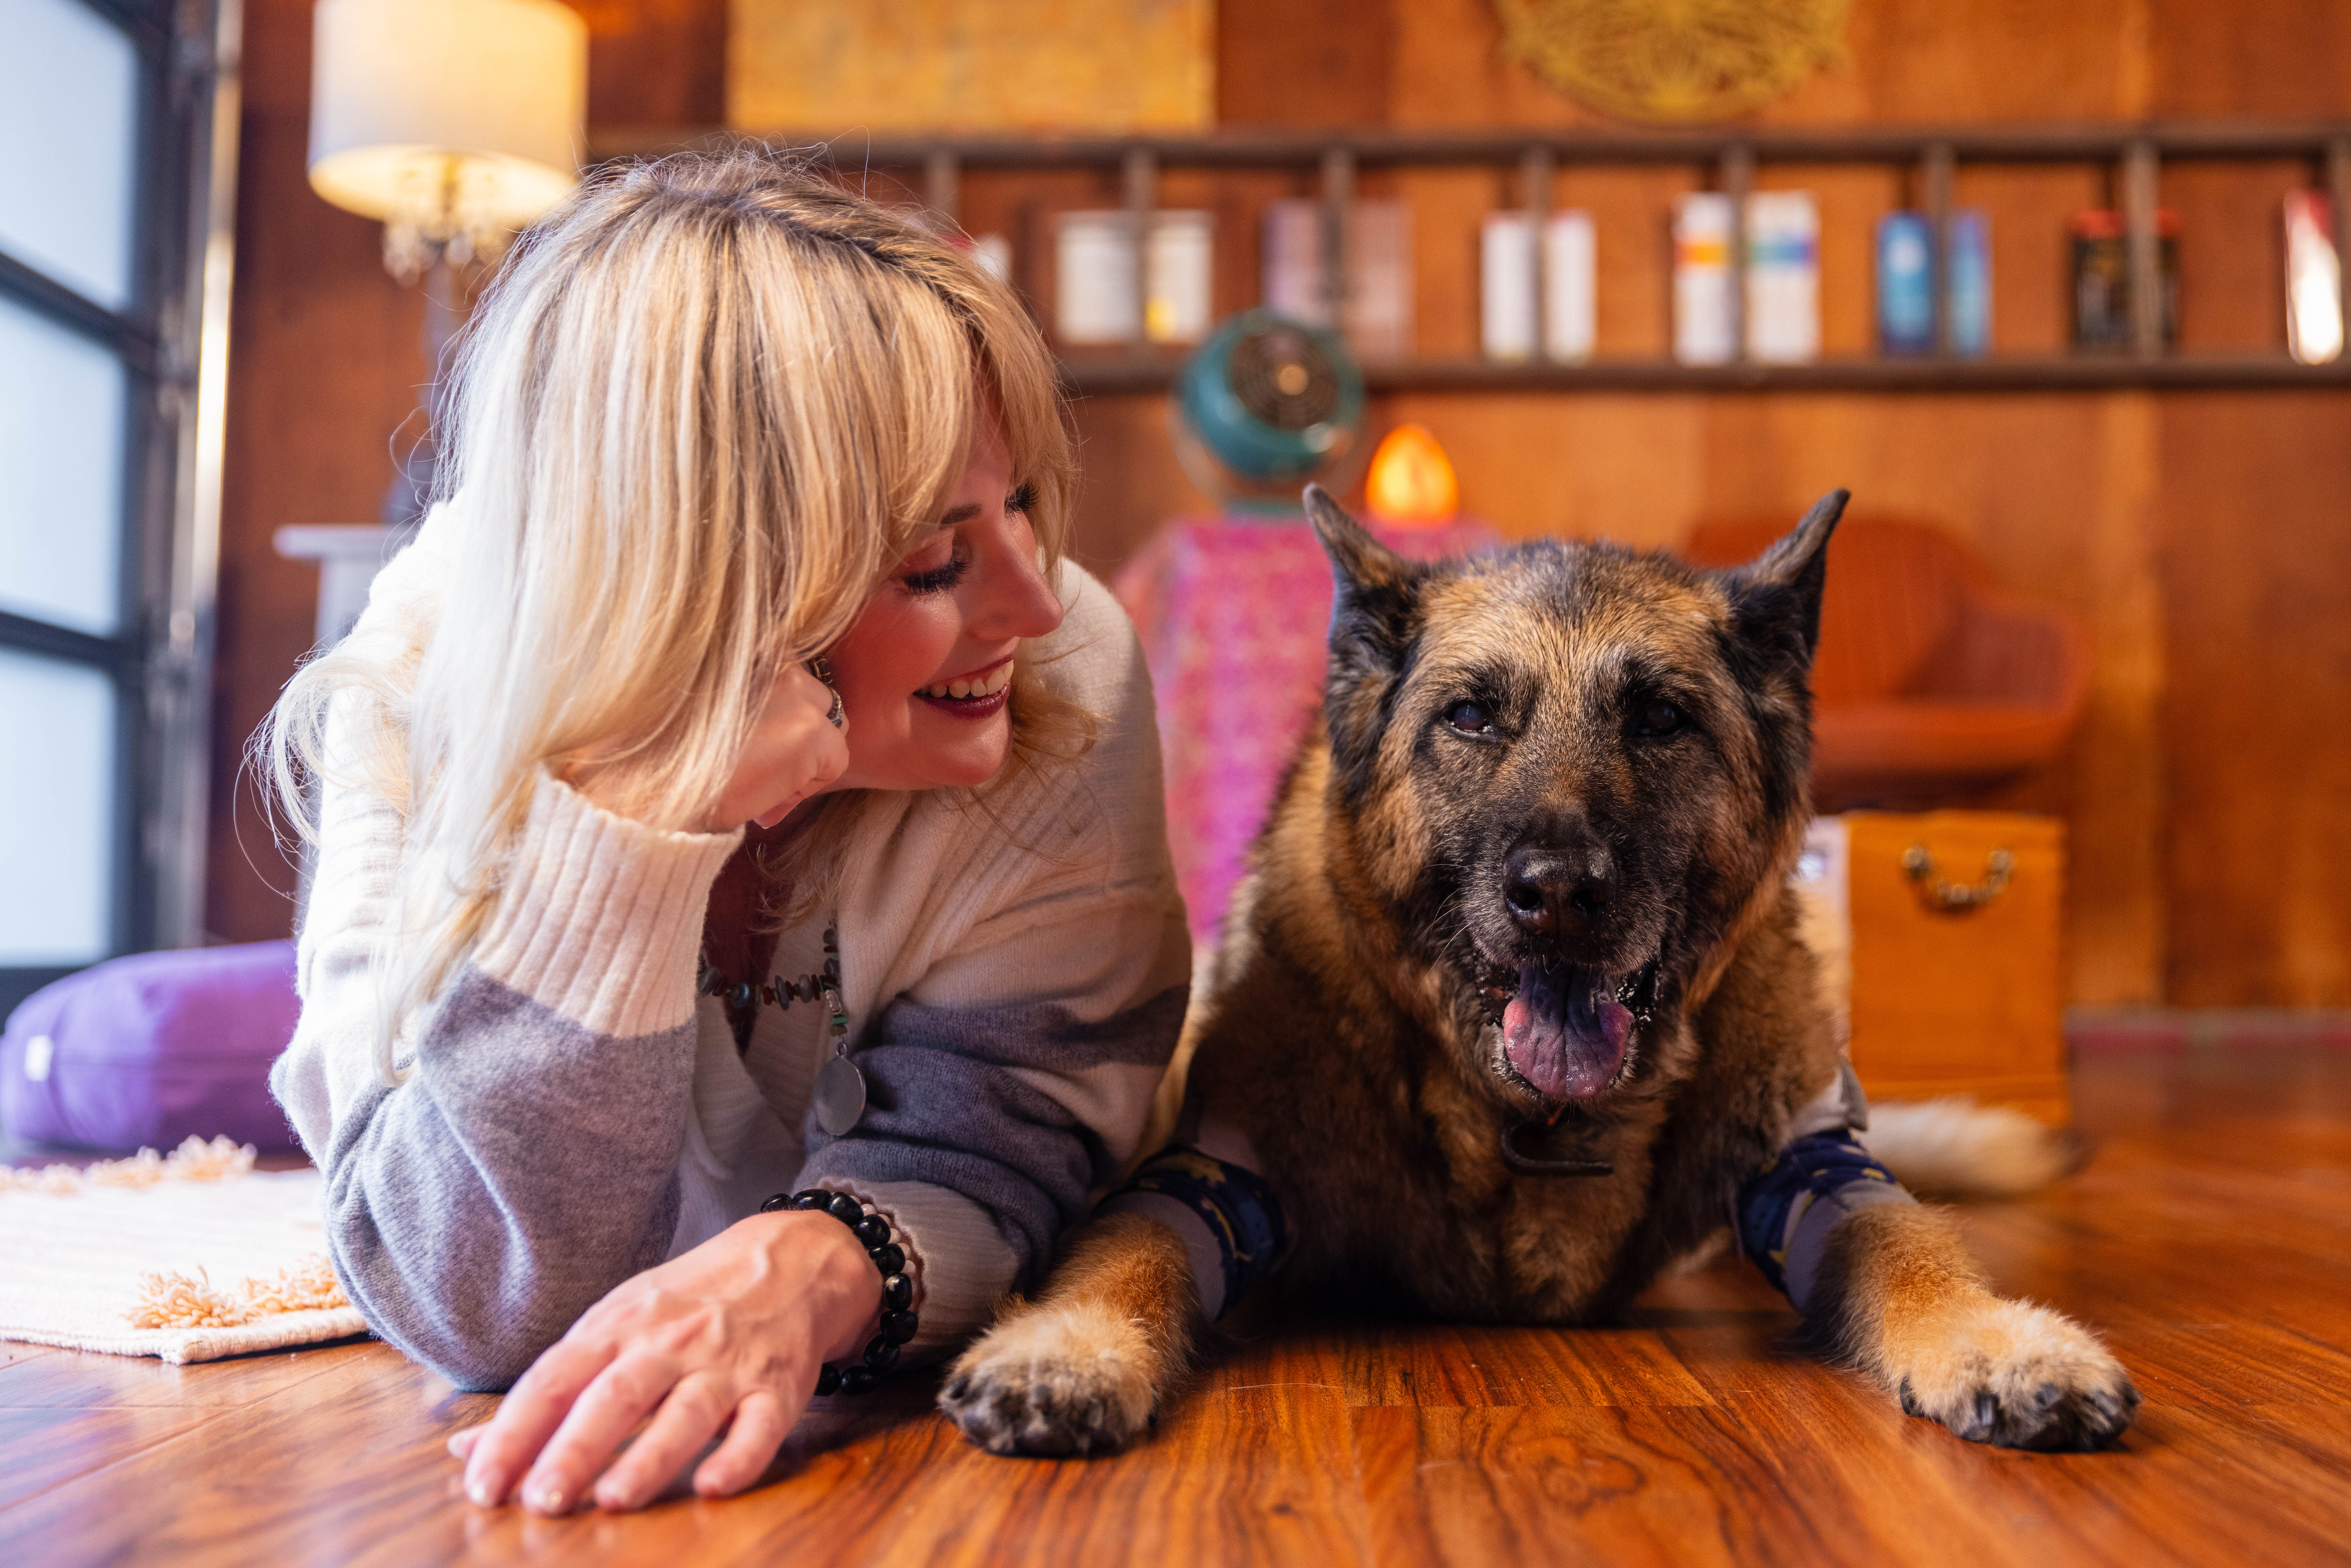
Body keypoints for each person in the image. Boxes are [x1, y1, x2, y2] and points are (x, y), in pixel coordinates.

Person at [264, 152, 1190, 1514]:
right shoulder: (419, 675)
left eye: (1026, 508)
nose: (1033, 604)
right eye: (934, 562)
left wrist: (818, 1268)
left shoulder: (1064, 676)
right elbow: (474, 1304)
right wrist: (641, 818)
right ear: (721, 584)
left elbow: (1014, 1136)